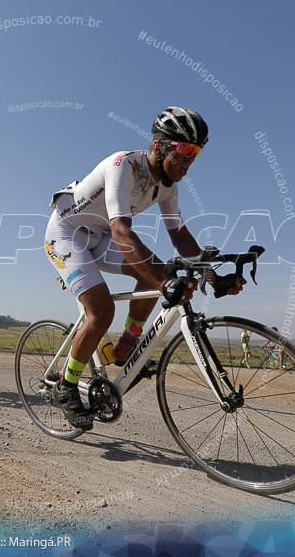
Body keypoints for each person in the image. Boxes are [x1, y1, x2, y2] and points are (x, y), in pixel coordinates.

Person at [44, 106, 245, 429]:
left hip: (100, 237)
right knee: (103, 309)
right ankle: (66, 386)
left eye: (197, 153)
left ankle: (127, 346)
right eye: (186, 150)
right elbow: (123, 232)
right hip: (67, 235)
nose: (190, 160)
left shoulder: (169, 188)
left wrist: (214, 276)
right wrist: (166, 284)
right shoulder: (123, 166)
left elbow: (180, 236)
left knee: (155, 273)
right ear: (159, 146)